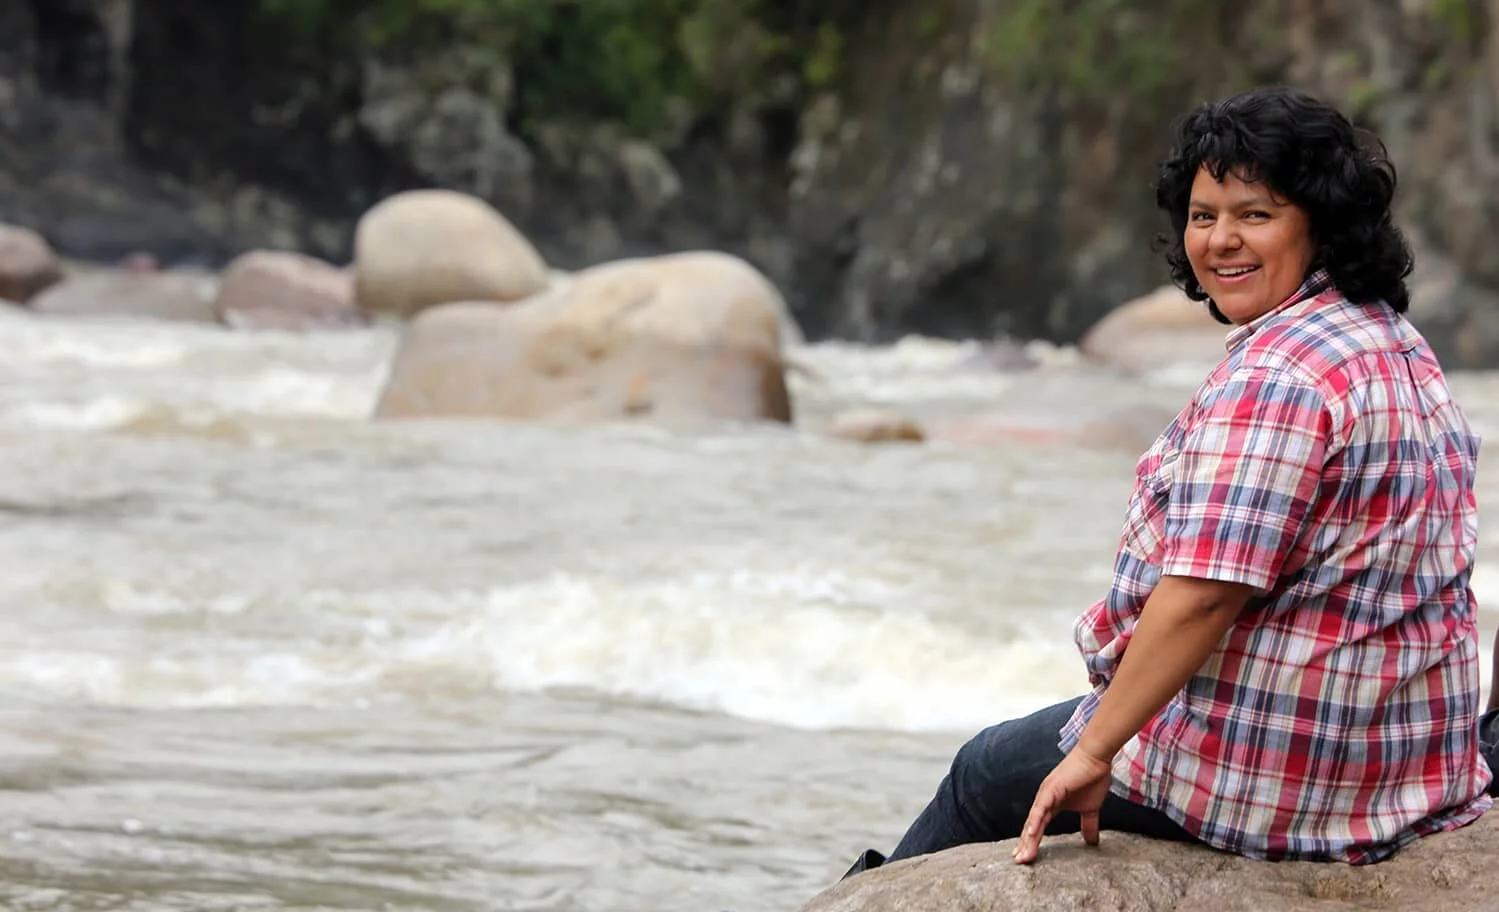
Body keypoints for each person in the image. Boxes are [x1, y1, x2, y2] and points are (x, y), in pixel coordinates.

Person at [843, 84, 1495, 879]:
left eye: (1254, 214)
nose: (1220, 240)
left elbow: (1205, 595)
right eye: (1201, 215)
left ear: (1321, 222)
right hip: (1398, 758)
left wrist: (1094, 750)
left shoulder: (1280, 376)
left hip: (1280, 770)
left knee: (984, 772)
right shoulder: (1390, 339)